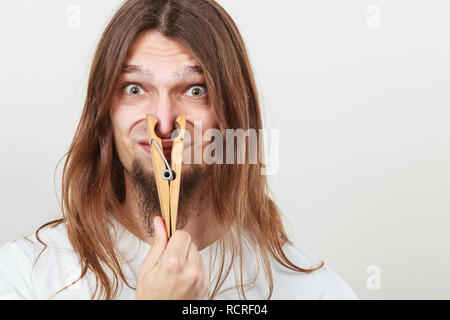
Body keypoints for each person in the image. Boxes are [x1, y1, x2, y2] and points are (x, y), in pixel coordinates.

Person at [0, 0, 357, 300]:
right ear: (106, 111)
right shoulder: (24, 277)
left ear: (231, 115)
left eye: (195, 90)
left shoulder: (316, 292)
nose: (165, 122)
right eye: (135, 89)